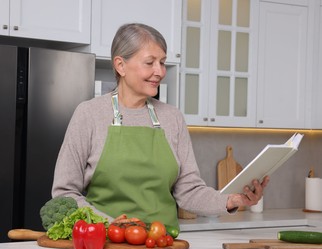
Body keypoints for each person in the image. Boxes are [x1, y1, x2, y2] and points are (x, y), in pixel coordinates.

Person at [52, 23, 269, 230]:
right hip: (105, 243)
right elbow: (65, 192)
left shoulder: (172, 118)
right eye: (150, 62)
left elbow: (189, 192)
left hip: (162, 243)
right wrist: (106, 224)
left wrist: (232, 200)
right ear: (121, 65)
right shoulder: (89, 114)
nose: (160, 72)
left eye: (162, 62)